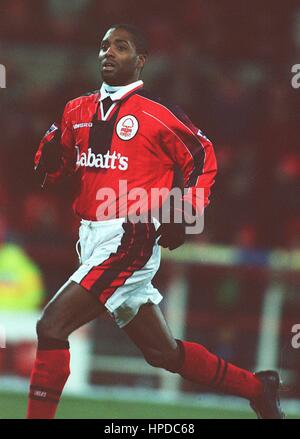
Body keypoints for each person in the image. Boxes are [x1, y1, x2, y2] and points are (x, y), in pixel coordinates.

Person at [27, 24, 284, 419]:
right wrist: (47, 163)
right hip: (91, 238)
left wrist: (185, 211)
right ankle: (258, 388)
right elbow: (56, 167)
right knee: (162, 353)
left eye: (121, 47)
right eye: (103, 46)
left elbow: (202, 156)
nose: (108, 53)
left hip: (129, 237)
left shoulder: (156, 113)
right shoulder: (76, 109)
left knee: (51, 327)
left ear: (140, 60)